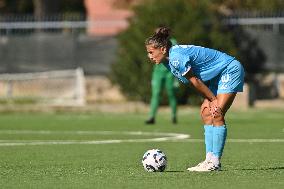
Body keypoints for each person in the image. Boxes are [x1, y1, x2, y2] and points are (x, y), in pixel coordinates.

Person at [145, 27, 244, 172]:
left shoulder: (176, 57)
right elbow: (195, 81)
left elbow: (195, 80)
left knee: (216, 112)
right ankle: (208, 160)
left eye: (151, 52)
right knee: (206, 113)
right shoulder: (168, 61)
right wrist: (208, 99)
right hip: (216, 76)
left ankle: (215, 163)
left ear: (163, 49)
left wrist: (212, 99)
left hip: (229, 69)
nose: (150, 56)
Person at [145, 36, 178, 125]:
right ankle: (151, 116)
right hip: (158, 73)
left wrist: (176, 78)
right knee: (156, 94)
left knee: (171, 93)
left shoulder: (172, 42)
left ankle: (173, 116)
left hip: (169, 73)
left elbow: (175, 57)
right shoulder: (152, 43)